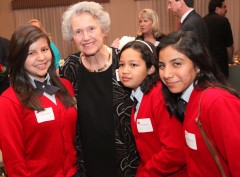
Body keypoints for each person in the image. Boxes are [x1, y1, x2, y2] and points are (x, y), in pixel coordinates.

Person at [60, 1, 139, 177]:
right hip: (87, 160)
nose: (85, 37)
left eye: (91, 29)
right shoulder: (69, 68)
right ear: (72, 37)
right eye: (78, 32)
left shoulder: (124, 61)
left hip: (126, 160)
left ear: (103, 29)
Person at [0, 24, 79, 176]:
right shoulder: (9, 101)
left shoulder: (66, 86)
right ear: (19, 58)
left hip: (73, 172)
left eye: (44, 49)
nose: (41, 58)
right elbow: (14, 160)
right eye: (31, 53)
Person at [158, 30, 240, 176]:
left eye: (176, 64)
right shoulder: (187, 98)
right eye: (162, 65)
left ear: (198, 65)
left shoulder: (217, 101)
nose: (166, 74)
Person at [118, 40, 187, 177]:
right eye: (121, 65)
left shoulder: (158, 96)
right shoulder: (138, 96)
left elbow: (174, 151)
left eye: (133, 65)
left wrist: (146, 173)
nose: (125, 71)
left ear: (150, 68)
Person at [203, 0, 234, 78]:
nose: (226, 9)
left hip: (206, 65)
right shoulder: (224, 21)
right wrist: (230, 59)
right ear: (217, 9)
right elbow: (229, 45)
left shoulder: (202, 21)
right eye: (224, 7)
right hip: (220, 65)